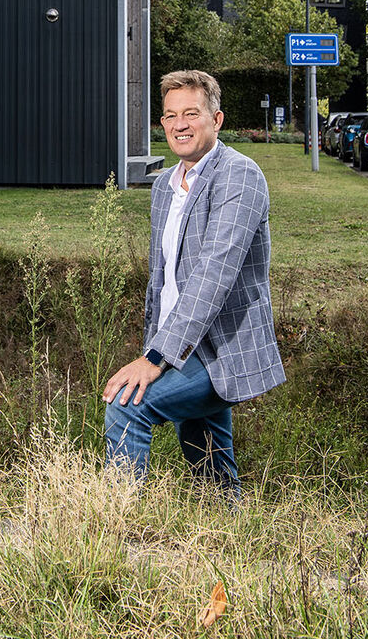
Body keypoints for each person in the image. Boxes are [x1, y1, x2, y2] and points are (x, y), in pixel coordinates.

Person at [103, 69, 285, 497]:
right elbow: (161, 278)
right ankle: (232, 537)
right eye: (169, 116)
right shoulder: (165, 185)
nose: (179, 124)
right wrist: (158, 347)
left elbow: (213, 275)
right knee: (211, 469)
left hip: (222, 348)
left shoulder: (239, 176)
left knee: (127, 407)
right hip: (182, 347)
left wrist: (156, 358)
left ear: (216, 119)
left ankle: (115, 526)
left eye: (191, 113)